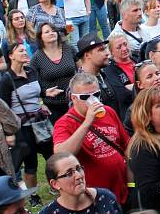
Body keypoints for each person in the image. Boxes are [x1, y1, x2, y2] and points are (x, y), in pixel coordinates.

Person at [53, 73, 130, 205]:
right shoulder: (65, 123)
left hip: (123, 187)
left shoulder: (108, 112)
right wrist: (87, 122)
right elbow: (61, 155)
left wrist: (131, 181)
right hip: (95, 196)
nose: (92, 100)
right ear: (74, 99)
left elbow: (126, 144)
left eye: (96, 95)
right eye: (85, 97)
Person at [0, 40, 53, 191]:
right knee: (31, 163)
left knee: (51, 156)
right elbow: (4, 109)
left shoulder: (32, 71)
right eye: (20, 51)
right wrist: (8, 133)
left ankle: (55, 186)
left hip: (39, 122)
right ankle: (32, 194)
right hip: (22, 127)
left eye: (25, 50)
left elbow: (39, 91)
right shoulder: (7, 80)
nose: (25, 53)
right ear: (11, 56)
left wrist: (45, 95)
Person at [31, 22, 76, 122]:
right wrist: (42, 96)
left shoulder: (69, 49)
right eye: (47, 32)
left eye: (53, 31)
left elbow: (82, 70)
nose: (51, 33)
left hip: (74, 100)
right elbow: (32, 82)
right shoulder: (37, 57)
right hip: (53, 105)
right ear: (40, 37)